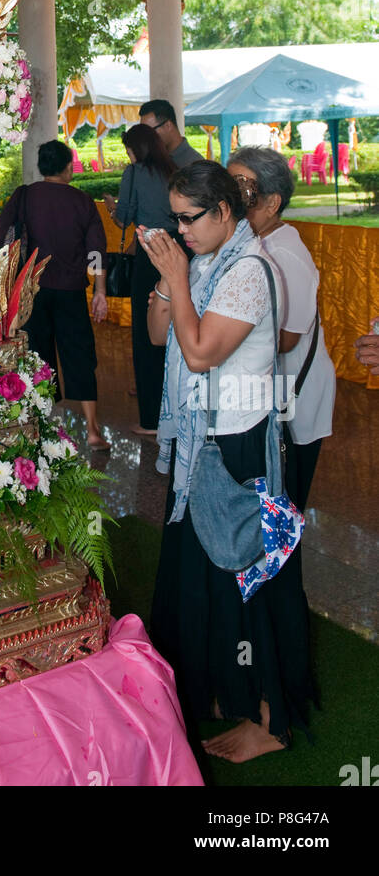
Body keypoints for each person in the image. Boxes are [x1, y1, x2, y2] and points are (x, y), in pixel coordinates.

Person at [141, 162, 313, 764]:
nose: (180, 230)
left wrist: (177, 277)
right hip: (202, 440)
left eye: (190, 218)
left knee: (250, 575)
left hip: (239, 444)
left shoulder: (248, 269)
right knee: (205, 573)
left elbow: (198, 353)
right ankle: (225, 688)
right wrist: (169, 283)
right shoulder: (208, 260)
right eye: (174, 220)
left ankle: (273, 719)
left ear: (223, 213)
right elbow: (160, 333)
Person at [228, 146, 335, 509]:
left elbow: (287, 339)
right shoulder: (252, 243)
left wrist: (216, 336)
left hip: (295, 394)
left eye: (243, 189)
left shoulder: (285, 252)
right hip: (266, 391)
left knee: (284, 505)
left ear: (272, 202)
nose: (232, 200)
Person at [0, 139, 109, 449]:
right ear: (68, 167)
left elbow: (1, 235)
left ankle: (42, 426)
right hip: (71, 291)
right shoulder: (82, 201)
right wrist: (100, 291)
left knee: (37, 355)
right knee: (80, 355)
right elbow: (96, 250)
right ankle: (93, 430)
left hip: (33, 291)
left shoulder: (25, 196)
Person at [102, 123, 176, 437]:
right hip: (177, 250)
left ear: (136, 149)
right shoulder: (172, 169)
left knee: (146, 335)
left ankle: (150, 419)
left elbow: (125, 217)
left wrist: (111, 208)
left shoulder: (135, 172)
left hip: (149, 252)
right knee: (175, 328)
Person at [139, 99, 203, 169]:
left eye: (149, 131)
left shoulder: (195, 164)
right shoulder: (153, 159)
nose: (146, 137)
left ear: (168, 126)